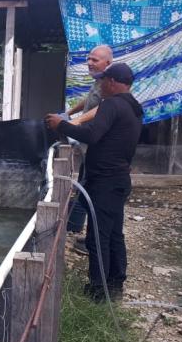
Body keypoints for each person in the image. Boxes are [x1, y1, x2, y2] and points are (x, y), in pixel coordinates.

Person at [44, 63, 142, 302]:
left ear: (111, 82)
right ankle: (115, 282)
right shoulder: (134, 107)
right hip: (119, 179)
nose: (99, 85)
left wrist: (61, 125)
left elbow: (92, 135)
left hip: (105, 182)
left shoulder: (110, 105)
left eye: (102, 81)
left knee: (97, 237)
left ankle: (98, 291)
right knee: (114, 233)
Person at [66, 45, 113, 242]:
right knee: (84, 182)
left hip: (99, 145)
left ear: (108, 63)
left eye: (95, 60)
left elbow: (103, 107)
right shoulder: (98, 80)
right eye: (89, 59)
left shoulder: (111, 82)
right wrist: (69, 113)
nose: (89, 63)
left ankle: (91, 239)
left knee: (91, 188)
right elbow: (90, 100)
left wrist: (77, 121)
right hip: (89, 145)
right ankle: (74, 226)